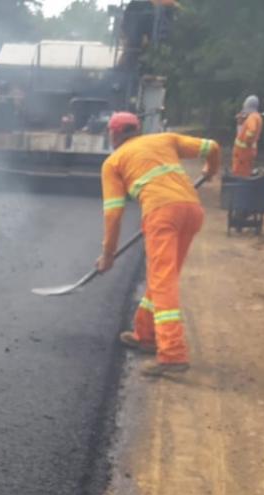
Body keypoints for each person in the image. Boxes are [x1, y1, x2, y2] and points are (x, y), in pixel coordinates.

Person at [97, 112, 220, 374]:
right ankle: (146, 334)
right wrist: (211, 168)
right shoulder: (165, 139)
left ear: (114, 134)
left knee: (163, 281)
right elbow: (212, 147)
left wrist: (108, 255)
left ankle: (173, 354)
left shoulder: (113, 162)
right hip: (192, 211)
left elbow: (113, 214)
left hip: (162, 213)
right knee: (165, 275)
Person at [232, 95, 263, 177]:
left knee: (241, 174)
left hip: (243, 152)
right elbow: (244, 131)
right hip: (247, 152)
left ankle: (241, 188)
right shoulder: (257, 117)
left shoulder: (252, 118)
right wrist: (241, 123)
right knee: (245, 172)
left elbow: (251, 131)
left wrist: (247, 140)